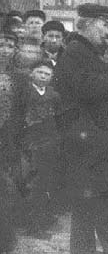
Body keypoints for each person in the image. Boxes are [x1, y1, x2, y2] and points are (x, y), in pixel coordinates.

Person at [54, 3, 108, 254]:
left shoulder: (89, 51)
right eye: (104, 24)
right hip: (90, 144)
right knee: (103, 208)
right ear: (87, 24)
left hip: (94, 142)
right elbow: (85, 89)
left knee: (86, 212)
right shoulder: (76, 51)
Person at [18, 60, 61, 239]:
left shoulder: (54, 95)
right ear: (31, 74)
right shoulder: (25, 93)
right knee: (33, 185)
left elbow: (58, 119)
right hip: (30, 144)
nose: (43, 76)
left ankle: (43, 218)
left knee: (46, 183)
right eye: (40, 72)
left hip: (49, 143)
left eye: (47, 74)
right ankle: (33, 225)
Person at [0, 29, 27, 253]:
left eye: (10, 46)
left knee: (6, 187)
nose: (4, 50)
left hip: (7, 137)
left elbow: (20, 111)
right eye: (1, 45)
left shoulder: (20, 76)